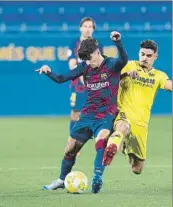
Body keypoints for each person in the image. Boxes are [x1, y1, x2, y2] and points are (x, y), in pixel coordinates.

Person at [35, 31, 128, 193]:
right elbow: (62, 78)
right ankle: (62, 180)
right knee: (70, 148)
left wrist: (118, 42)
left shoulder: (112, 64)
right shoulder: (85, 67)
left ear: (97, 52)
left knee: (101, 140)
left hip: (105, 114)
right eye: (84, 59)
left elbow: (124, 60)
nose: (88, 62)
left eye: (89, 58)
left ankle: (97, 176)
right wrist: (49, 72)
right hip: (87, 115)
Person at [103, 40, 172, 176]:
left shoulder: (159, 75)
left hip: (141, 124)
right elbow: (110, 77)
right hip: (123, 114)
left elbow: (169, 84)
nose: (145, 58)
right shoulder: (129, 65)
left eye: (149, 55)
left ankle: (125, 147)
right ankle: (112, 147)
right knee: (122, 127)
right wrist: (126, 75)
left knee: (137, 169)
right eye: (142, 54)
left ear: (155, 57)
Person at [68, 17, 104, 136]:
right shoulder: (74, 43)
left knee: (98, 113)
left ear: (93, 29)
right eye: (85, 26)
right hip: (78, 85)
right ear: (80, 28)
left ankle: (100, 141)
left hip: (93, 83)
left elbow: (100, 64)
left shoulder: (97, 44)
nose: (87, 29)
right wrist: (82, 77)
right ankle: (73, 143)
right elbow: (72, 63)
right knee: (75, 113)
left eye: (90, 27)